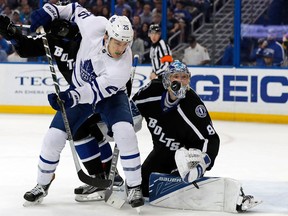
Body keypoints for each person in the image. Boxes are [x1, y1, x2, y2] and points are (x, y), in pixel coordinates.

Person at [28, 2, 144, 208]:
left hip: (110, 97)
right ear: (107, 35)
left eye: (126, 44)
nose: (121, 48)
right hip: (80, 88)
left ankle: (134, 186)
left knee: (124, 132)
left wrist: (70, 97)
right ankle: (42, 184)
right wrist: (50, 11)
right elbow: (73, 8)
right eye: (117, 43)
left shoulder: (121, 67)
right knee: (53, 136)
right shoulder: (95, 26)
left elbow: (93, 92)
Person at [0, 13, 124, 203]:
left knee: (90, 130)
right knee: (55, 137)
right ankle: (43, 184)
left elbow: (118, 68)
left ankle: (109, 176)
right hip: (77, 97)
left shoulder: (92, 35)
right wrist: (12, 34)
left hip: (106, 96)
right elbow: (26, 48)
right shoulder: (53, 39)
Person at [132, 60, 260, 213]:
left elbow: (211, 139)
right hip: (163, 150)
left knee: (180, 171)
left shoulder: (193, 105)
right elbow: (131, 108)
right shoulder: (151, 91)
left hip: (188, 156)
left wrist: (201, 164)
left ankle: (232, 196)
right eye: (176, 77)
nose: (180, 81)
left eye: (184, 77)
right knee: (140, 185)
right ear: (167, 79)